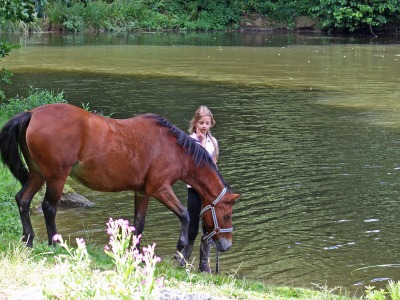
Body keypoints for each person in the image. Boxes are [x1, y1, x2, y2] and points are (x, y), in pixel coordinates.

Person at [176, 105, 219, 273]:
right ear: (195, 123)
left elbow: (213, 166)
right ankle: (183, 261)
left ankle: (204, 265)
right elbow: (193, 166)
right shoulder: (189, 141)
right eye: (201, 122)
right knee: (192, 226)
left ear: (211, 124)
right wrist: (200, 143)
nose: (204, 126)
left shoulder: (213, 143)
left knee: (208, 227)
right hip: (194, 189)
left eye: (207, 123)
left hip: (208, 192)